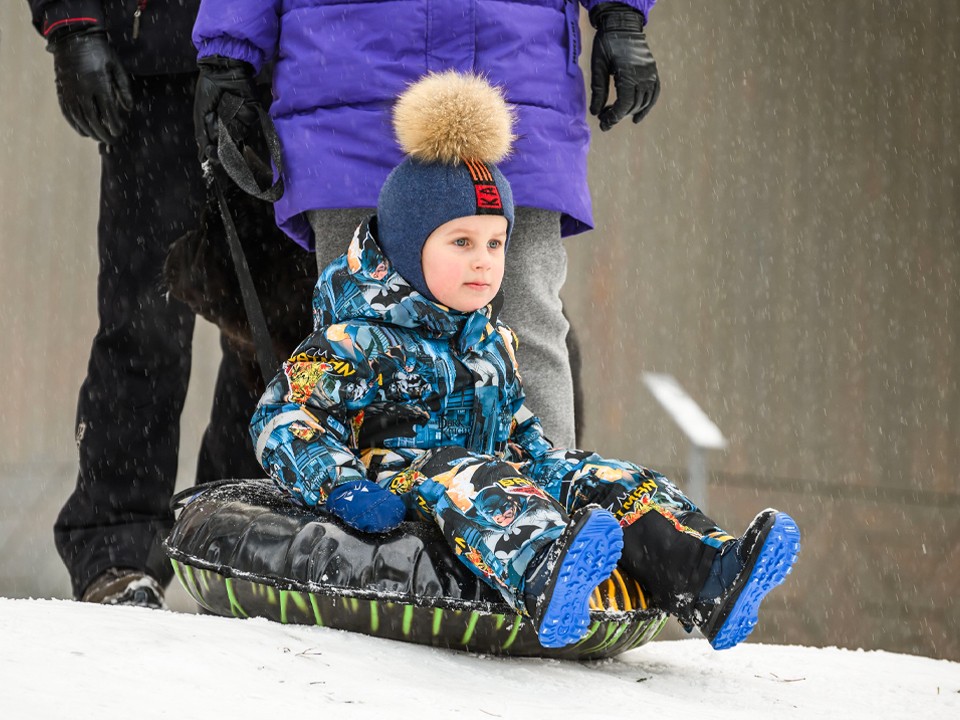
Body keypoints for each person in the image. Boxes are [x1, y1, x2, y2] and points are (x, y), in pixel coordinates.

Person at [249, 72, 801, 650]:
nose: (484, 262)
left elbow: (519, 430)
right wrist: (342, 486)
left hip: (492, 471)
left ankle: (709, 573)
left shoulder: (490, 339)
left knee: (600, 476)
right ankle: (548, 574)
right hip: (409, 483)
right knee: (472, 478)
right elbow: (281, 417)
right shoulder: (354, 340)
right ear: (410, 250)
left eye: (495, 243)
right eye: (460, 242)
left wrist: (559, 475)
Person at [192, 0, 663, 450]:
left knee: (524, 328)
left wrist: (620, 12)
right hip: (353, 76)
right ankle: (359, 510)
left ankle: (548, 516)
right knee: (354, 339)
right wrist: (226, 49)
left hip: (509, 75)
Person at [26, 0, 267, 608]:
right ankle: (118, 548)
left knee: (271, 334)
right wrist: (73, 24)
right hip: (159, 56)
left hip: (282, 68)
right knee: (145, 322)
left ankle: (234, 538)